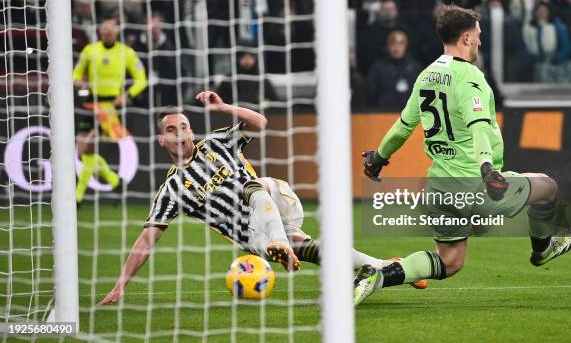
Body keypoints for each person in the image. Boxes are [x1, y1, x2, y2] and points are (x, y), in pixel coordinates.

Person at [354, 4, 571, 305]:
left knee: (450, 261)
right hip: (475, 183)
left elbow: (403, 127)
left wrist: (378, 158)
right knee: (548, 186)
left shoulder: (426, 75)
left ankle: (380, 275)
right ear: (466, 38)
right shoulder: (470, 77)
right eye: (478, 35)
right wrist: (487, 168)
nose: (480, 41)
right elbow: (478, 125)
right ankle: (542, 251)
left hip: (439, 188)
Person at [98, 92, 410, 305]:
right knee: (318, 252)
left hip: (274, 198)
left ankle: (282, 244)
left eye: (183, 126)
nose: (179, 133)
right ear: (161, 139)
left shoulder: (217, 144)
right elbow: (147, 238)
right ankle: (389, 268)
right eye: (171, 129)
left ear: (191, 131)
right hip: (254, 238)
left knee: (253, 185)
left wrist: (222, 108)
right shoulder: (172, 190)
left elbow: (259, 123)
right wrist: (120, 284)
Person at [73, 17, 147, 205]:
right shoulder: (90, 50)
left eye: (111, 29)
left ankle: (78, 196)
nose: (108, 32)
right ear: (100, 31)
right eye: (105, 29)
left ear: (117, 31)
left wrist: (127, 95)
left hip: (109, 107)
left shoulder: (126, 53)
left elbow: (141, 79)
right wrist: (78, 82)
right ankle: (115, 181)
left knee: (87, 148)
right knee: (83, 152)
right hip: (89, 103)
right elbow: (76, 74)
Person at [366, 31, 421, 109]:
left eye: (400, 45)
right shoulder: (378, 68)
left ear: (406, 46)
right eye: (393, 44)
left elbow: (422, 94)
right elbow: (371, 95)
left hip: (409, 116)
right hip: (382, 115)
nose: (397, 48)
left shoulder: (415, 67)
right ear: (388, 47)